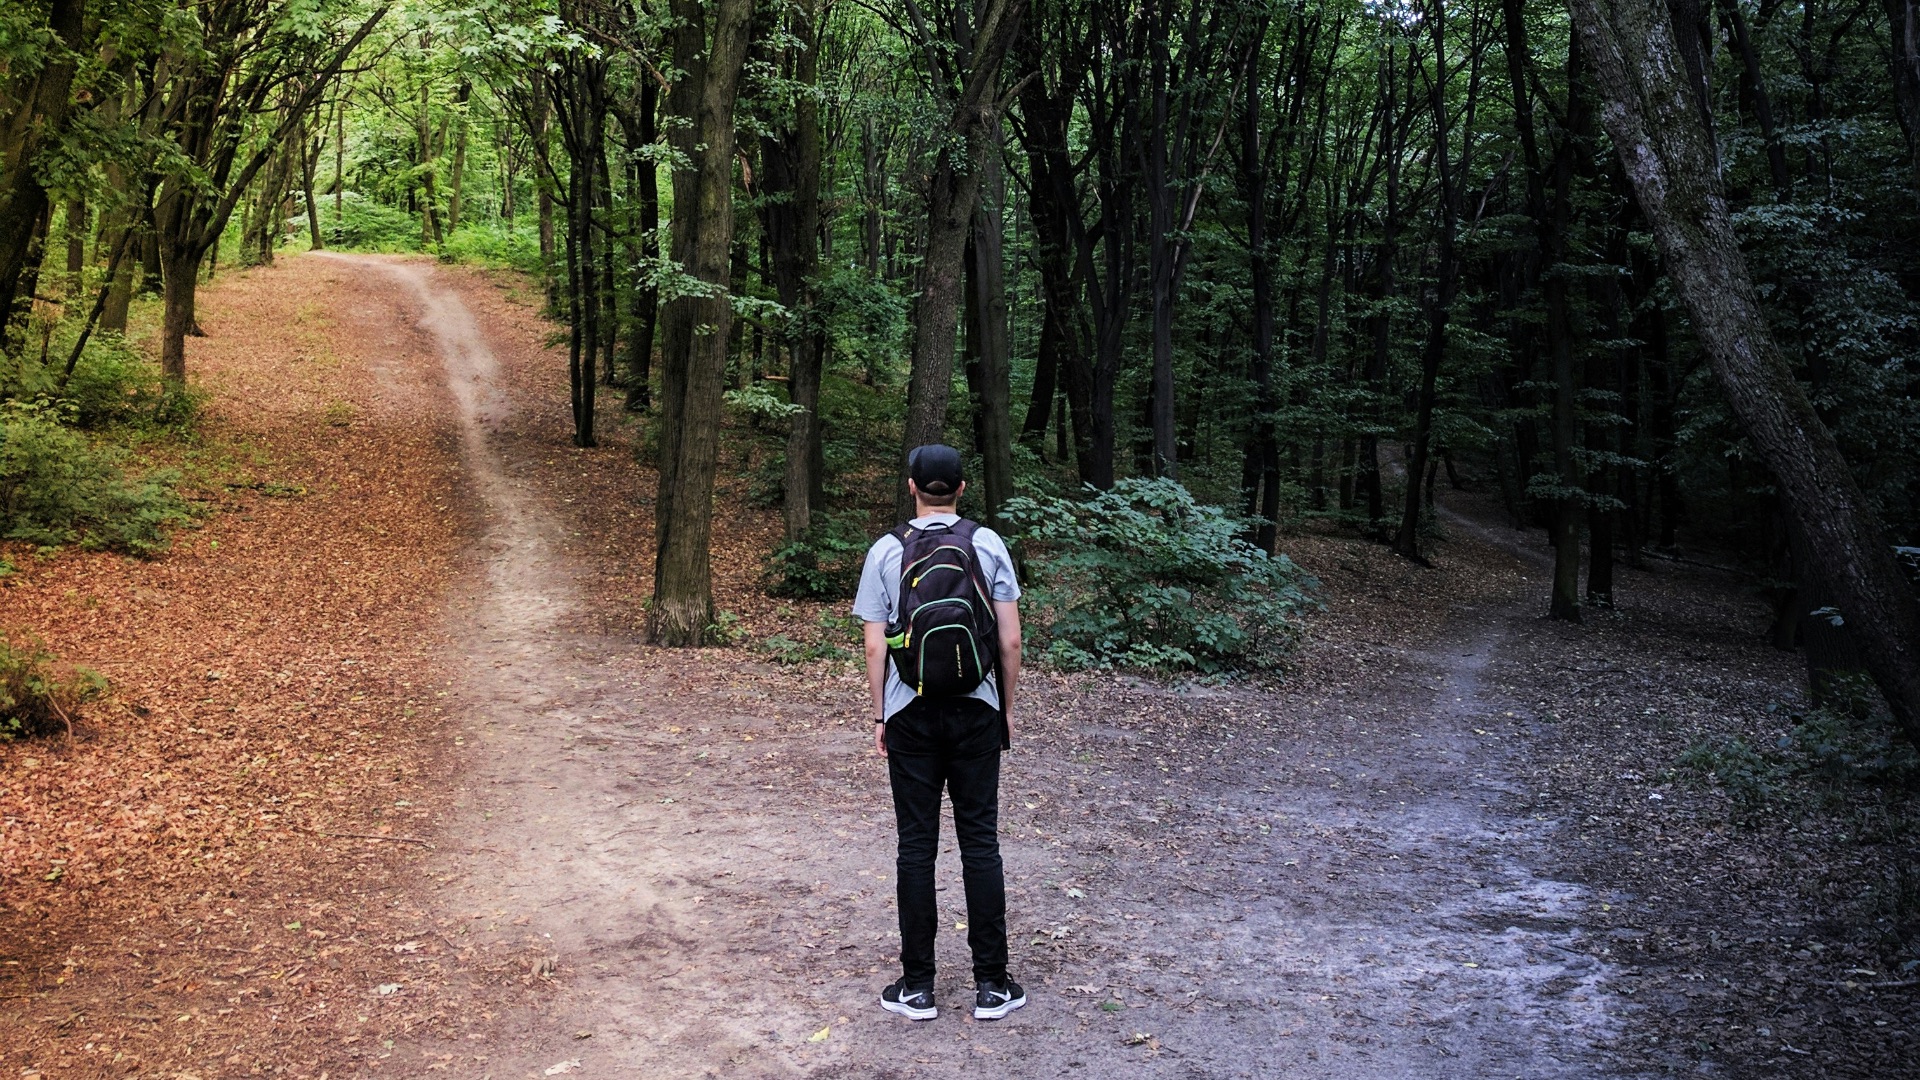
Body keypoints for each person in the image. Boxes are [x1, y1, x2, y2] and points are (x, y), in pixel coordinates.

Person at [852, 444, 1026, 1022]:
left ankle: (918, 987)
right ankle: (993, 985)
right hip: (977, 708)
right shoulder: (988, 543)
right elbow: (1010, 641)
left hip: (911, 712)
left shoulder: (885, 550)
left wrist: (881, 714)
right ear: (961, 487)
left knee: (915, 845)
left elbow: (876, 644)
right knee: (980, 842)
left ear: (911, 487)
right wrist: (1004, 708)